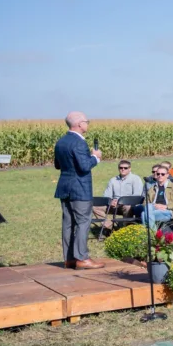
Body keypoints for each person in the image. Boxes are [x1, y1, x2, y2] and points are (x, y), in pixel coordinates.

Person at [54, 112, 104, 270]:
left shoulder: (61, 142)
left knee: (68, 223)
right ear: (79, 124)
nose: (87, 124)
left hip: (65, 187)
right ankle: (82, 258)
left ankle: (69, 259)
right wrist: (95, 157)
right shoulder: (79, 143)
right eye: (86, 121)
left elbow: (57, 165)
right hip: (79, 189)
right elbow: (84, 166)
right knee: (83, 222)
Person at [94, 160, 144, 230]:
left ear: (130, 169)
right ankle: (110, 227)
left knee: (127, 207)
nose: (123, 169)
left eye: (125, 168)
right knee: (95, 207)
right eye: (121, 168)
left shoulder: (136, 179)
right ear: (118, 168)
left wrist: (121, 201)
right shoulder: (113, 180)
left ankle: (125, 228)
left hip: (128, 205)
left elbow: (137, 196)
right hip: (113, 205)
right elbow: (106, 195)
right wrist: (111, 201)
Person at [143, 164, 173, 232]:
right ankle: (154, 235)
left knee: (143, 214)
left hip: (168, 211)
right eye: (158, 174)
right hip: (153, 209)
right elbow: (145, 203)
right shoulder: (152, 189)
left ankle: (151, 235)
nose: (160, 176)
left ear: (167, 175)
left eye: (162, 174)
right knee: (147, 209)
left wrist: (166, 206)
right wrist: (154, 206)